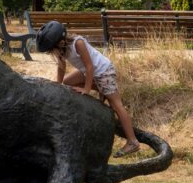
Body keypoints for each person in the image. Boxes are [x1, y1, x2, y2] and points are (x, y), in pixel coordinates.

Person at [36, 21, 141, 157]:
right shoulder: (62, 49)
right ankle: (101, 89)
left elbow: (90, 66)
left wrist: (86, 89)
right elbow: (61, 67)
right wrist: (57, 84)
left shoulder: (78, 43)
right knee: (67, 82)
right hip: (88, 72)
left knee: (116, 105)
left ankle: (133, 141)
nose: (52, 53)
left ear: (61, 42)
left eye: (51, 49)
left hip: (103, 71)